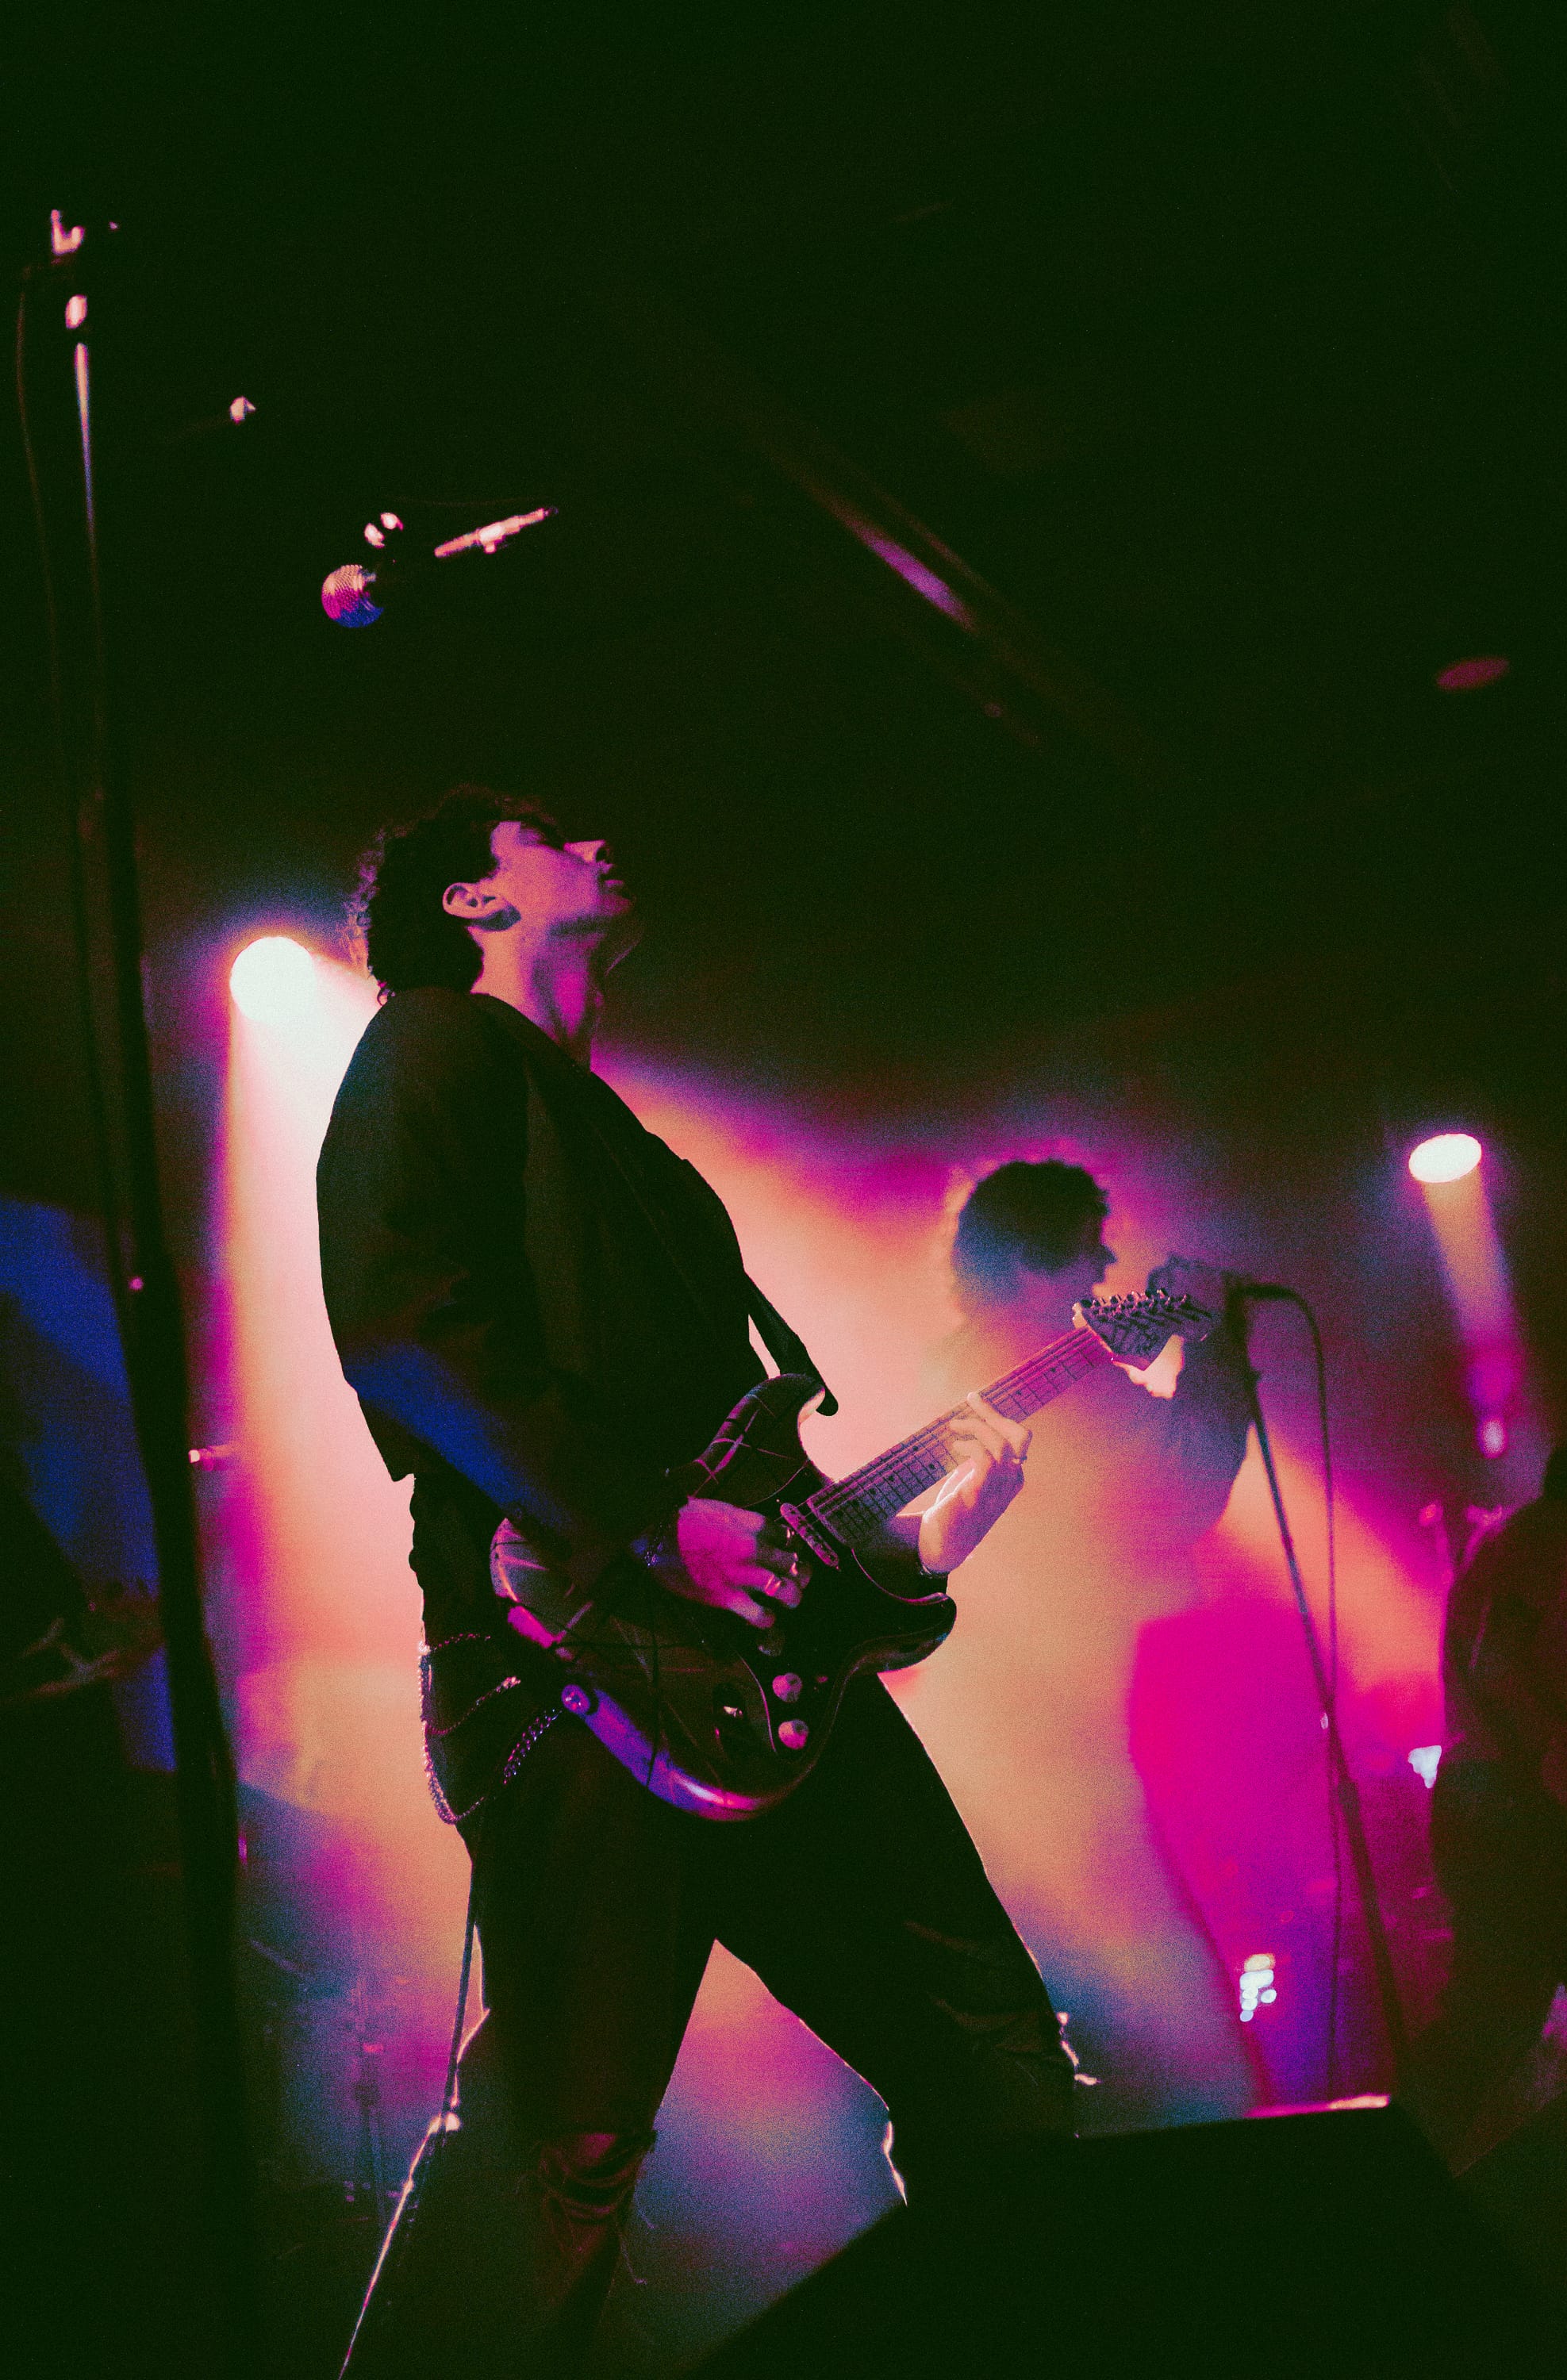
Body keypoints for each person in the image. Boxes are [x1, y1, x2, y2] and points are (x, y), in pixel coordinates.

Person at [315, 785, 1077, 2376]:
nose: (595, 841)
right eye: (544, 833)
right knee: (564, 2154)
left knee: (996, 2059)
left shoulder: (633, 1152)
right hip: (572, 1670)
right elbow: (399, 1323)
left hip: (754, 1688)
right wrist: (649, 1528)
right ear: (471, 901)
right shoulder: (433, 1046)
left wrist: (909, 1552)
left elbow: (748, 1477)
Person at [904, 1161, 1257, 2129]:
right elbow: (1180, 1484)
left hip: (978, 1734)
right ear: (1030, 1259)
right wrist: (1219, 1341)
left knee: (1022, 2034)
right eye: (1087, 1245)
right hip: (1058, 1746)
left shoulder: (951, 1360)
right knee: (1180, 2051)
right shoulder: (1039, 1361)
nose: (1105, 1264)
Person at [1399, 1431, 1567, 2166]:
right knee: (1490, 2022)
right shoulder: (1552, 1541)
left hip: (1497, 1804)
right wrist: (1557, 1754)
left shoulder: (1517, 1539)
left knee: (1490, 2021)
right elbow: (1499, 1665)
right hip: (1519, 1809)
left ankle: (1388, 2171)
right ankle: (1387, 2173)